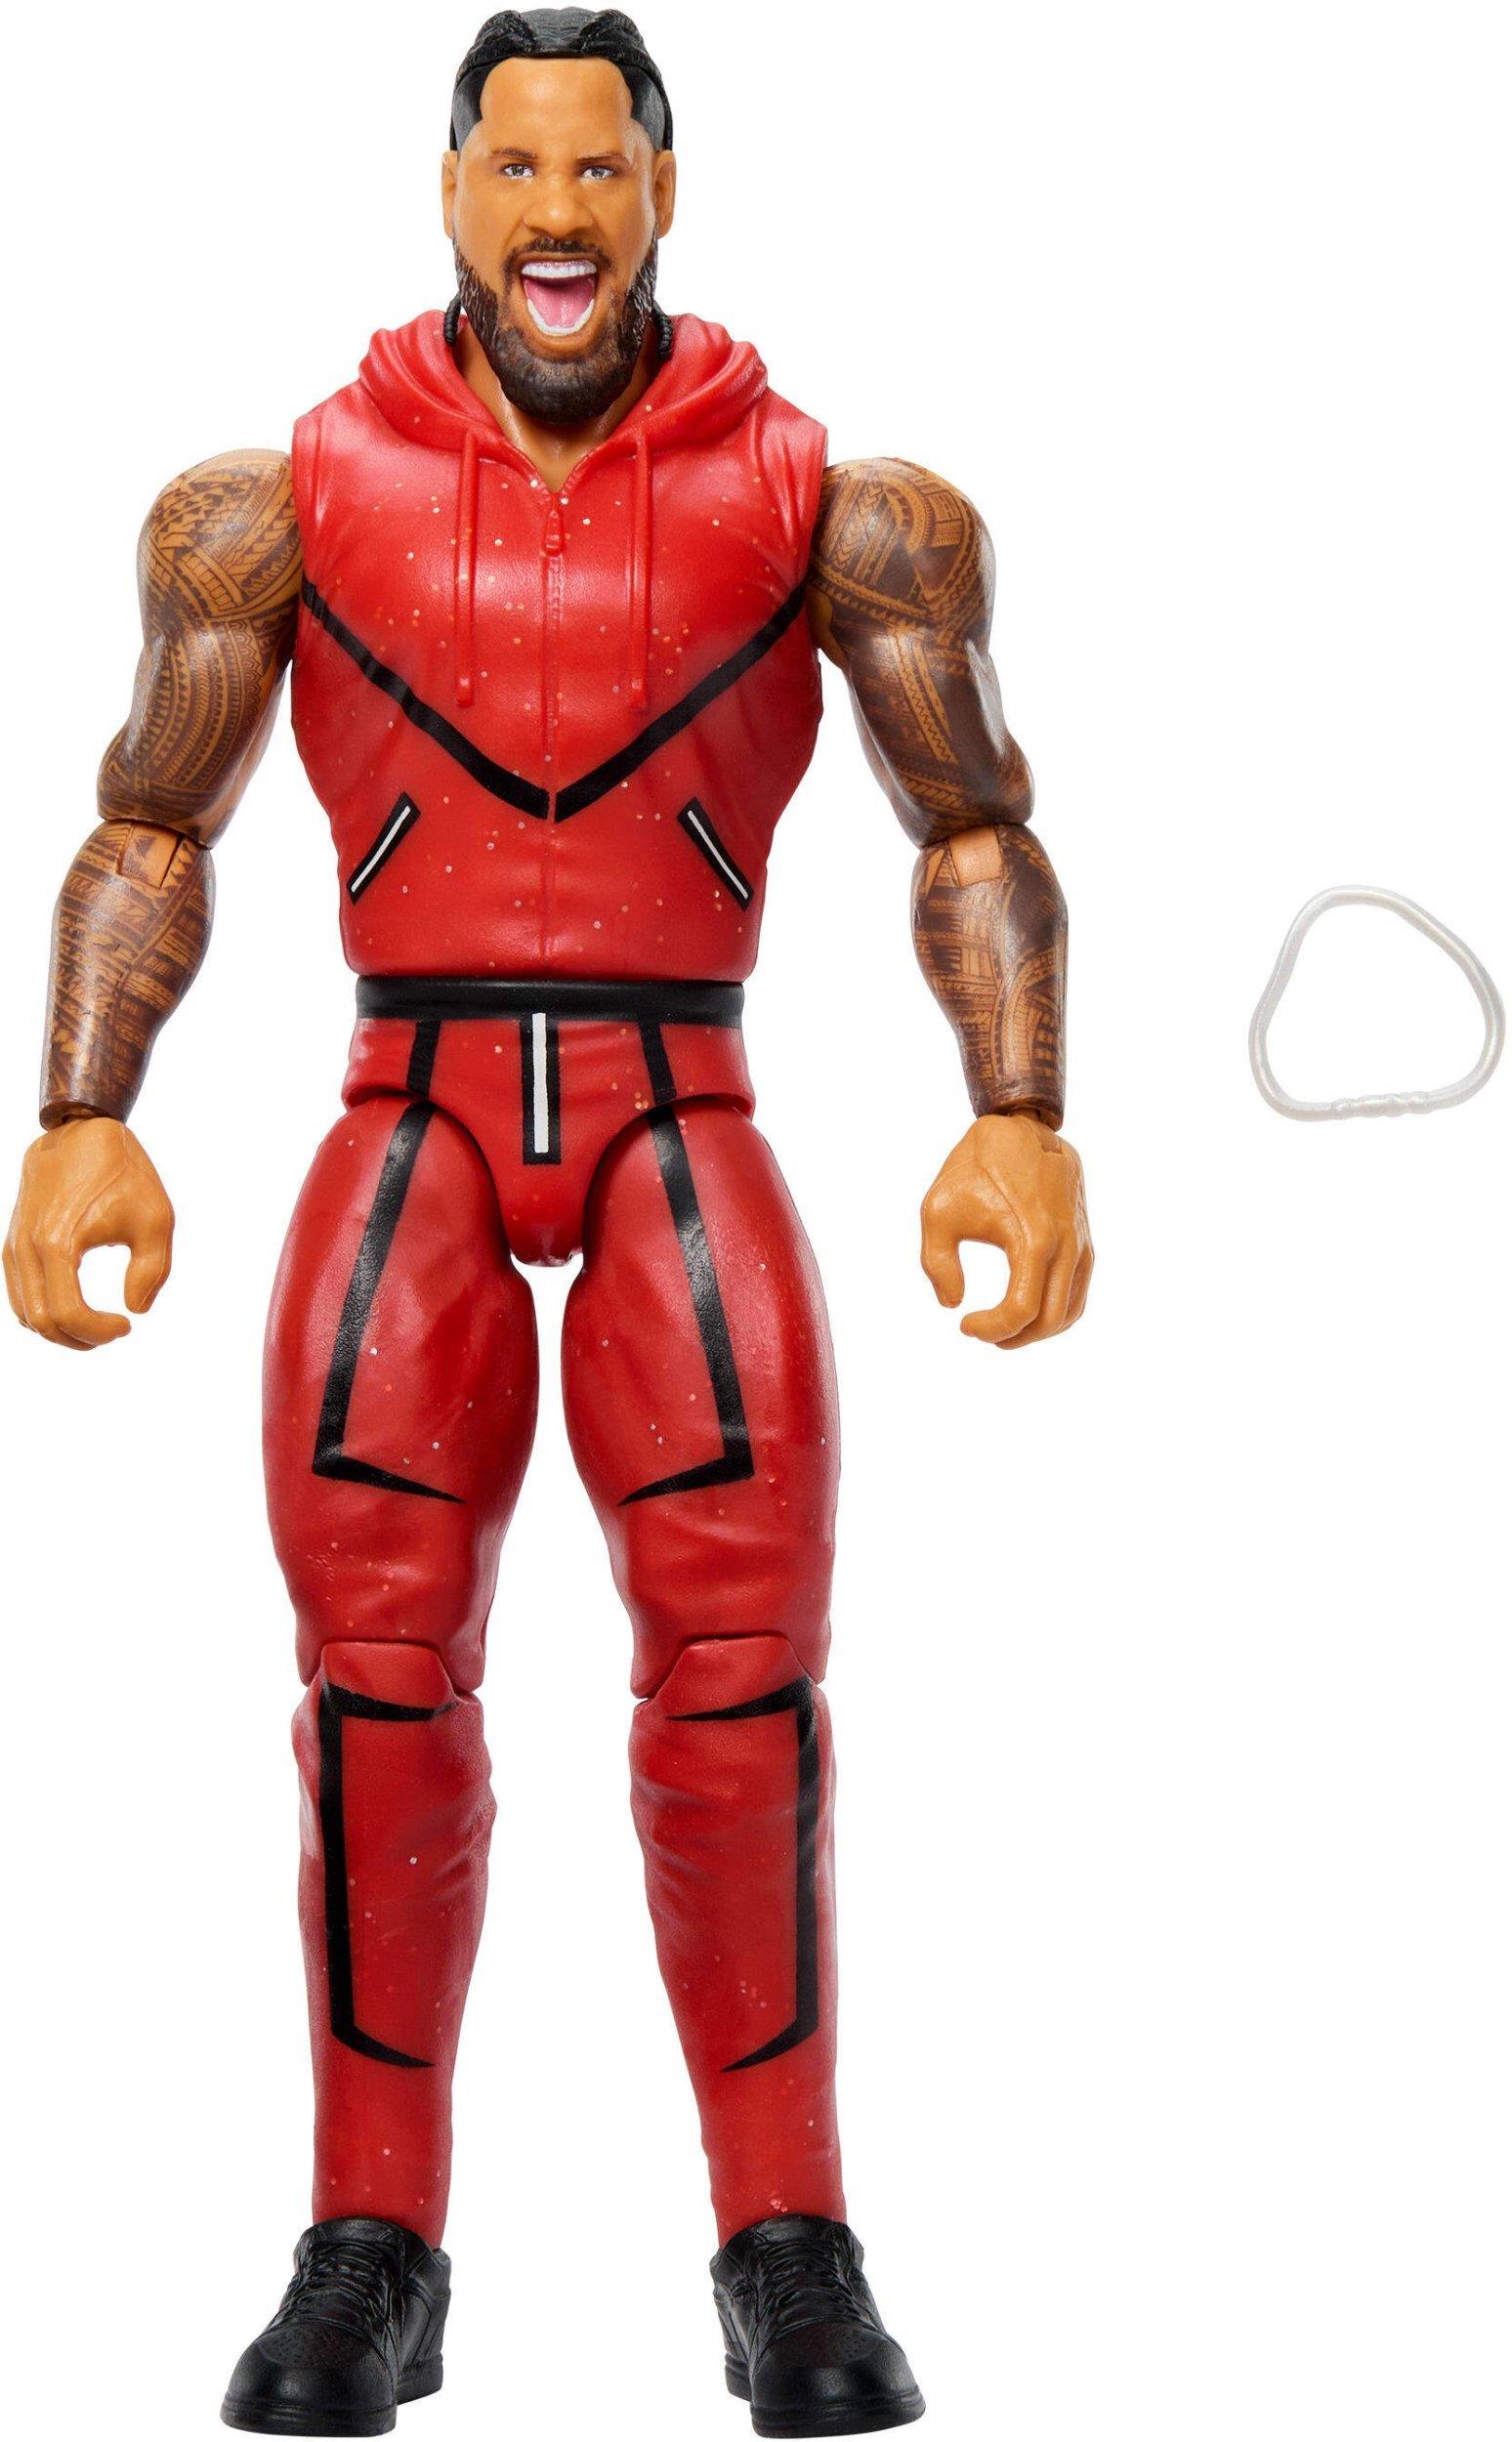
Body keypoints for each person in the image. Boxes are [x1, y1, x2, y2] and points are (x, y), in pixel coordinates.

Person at [4, 11, 1092, 2435]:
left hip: (674, 1096)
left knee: (745, 1669)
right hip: (403, 1099)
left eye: (600, 168)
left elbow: (972, 823)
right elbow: (149, 819)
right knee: (374, 1680)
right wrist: (83, 1107)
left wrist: (1019, 1108)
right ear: (452, 191)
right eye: (518, 168)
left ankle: (787, 2235)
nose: (560, 214)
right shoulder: (275, 503)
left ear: (665, 189)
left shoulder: (838, 505)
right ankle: (370, 2240)